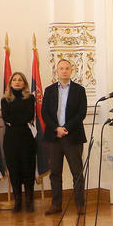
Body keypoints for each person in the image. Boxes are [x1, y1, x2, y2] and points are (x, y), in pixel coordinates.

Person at [41, 59, 87, 215]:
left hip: (72, 136)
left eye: (67, 68)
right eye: (61, 68)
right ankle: (56, 204)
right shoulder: (49, 90)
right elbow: (45, 113)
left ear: (71, 71)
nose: (64, 71)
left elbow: (81, 113)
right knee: (55, 172)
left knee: (77, 172)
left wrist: (66, 128)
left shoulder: (79, 90)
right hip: (54, 137)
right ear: (57, 71)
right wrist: (56, 128)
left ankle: (80, 204)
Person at [1, 72, 38, 213]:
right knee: (14, 170)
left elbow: (29, 116)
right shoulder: (5, 100)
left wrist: (14, 120)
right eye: (14, 80)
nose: (17, 82)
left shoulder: (30, 98)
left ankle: (29, 201)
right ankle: (18, 202)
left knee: (28, 170)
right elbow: (6, 117)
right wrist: (18, 119)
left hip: (27, 138)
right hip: (11, 140)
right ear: (10, 83)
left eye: (20, 80)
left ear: (24, 83)